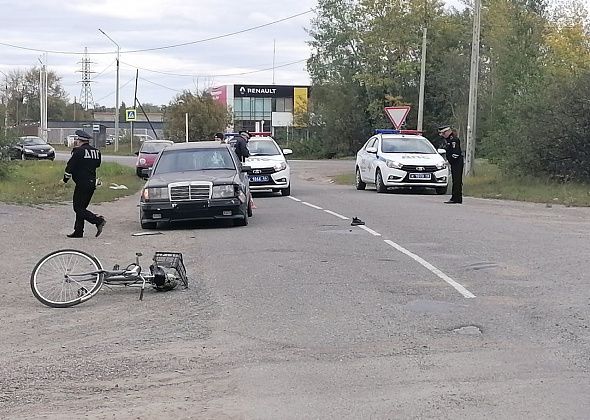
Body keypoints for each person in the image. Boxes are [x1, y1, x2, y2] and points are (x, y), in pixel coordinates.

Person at [61, 130, 106, 238]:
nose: (76, 141)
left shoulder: (79, 152)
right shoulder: (96, 152)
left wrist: (64, 180)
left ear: (79, 140)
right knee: (82, 208)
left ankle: (98, 221)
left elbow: (69, 167)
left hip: (82, 183)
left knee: (78, 208)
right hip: (91, 183)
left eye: (77, 139)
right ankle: (78, 231)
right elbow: (97, 165)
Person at [438, 125, 463, 204]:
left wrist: (449, 161)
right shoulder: (449, 140)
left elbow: (456, 153)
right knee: (455, 180)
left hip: (457, 162)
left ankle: (456, 198)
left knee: (457, 180)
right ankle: (457, 197)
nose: (443, 135)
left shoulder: (454, 140)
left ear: (448, 132)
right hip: (454, 162)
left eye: (443, 133)